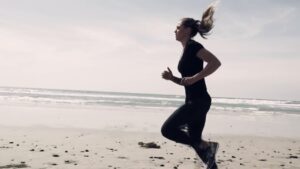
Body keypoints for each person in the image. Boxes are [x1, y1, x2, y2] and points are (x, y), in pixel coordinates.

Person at [161, 5, 221, 169]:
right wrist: (172, 78)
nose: (175, 30)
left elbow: (215, 62)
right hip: (195, 102)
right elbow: (186, 81)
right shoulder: (186, 49)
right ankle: (208, 151)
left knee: (167, 130)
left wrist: (196, 77)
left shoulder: (194, 47)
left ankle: (207, 146)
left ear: (187, 30)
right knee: (200, 149)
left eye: (178, 27)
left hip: (198, 102)